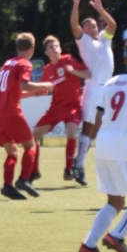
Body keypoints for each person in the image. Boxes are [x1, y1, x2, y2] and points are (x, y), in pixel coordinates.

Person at [78, 38, 127, 252]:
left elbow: (99, 115)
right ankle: (117, 236)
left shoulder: (110, 83)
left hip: (104, 143)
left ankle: (89, 245)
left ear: (125, 59)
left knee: (115, 201)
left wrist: (96, 139)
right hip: (126, 145)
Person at [0, 33, 53, 200]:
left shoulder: (8, 63)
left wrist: (34, 93)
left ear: (18, 47)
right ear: (32, 48)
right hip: (10, 112)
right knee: (31, 145)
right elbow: (25, 85)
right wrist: (45, 85)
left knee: (12, 151)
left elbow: (13, 92)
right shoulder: (24, 63)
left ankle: (8, 186)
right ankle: (24, 179)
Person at [70, 0, 117, 187]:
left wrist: (100, 9)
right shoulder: (84, 41)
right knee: (89, 125)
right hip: (94, 88)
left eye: (93, 25)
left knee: (98, 128)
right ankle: (79, 165)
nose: (91, 28)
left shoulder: (104, 38)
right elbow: (74, 25)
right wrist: (76, 4)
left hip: (107, 88)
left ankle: (78, 160)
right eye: (87, 26)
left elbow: (112, 25)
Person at [31, 36, 90, 183]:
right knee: (34, 136)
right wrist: (40, 90)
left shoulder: (68, 60)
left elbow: (88, 74)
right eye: (51, 47)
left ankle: (68, 170)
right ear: (46, 52)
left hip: (72, 106)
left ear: (61, 49)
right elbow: (43, 89)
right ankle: (35, 171)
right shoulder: (47, 70)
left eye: (57, 46)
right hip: (56, 108)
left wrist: (74, 72)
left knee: (71, 131)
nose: (55, 49)